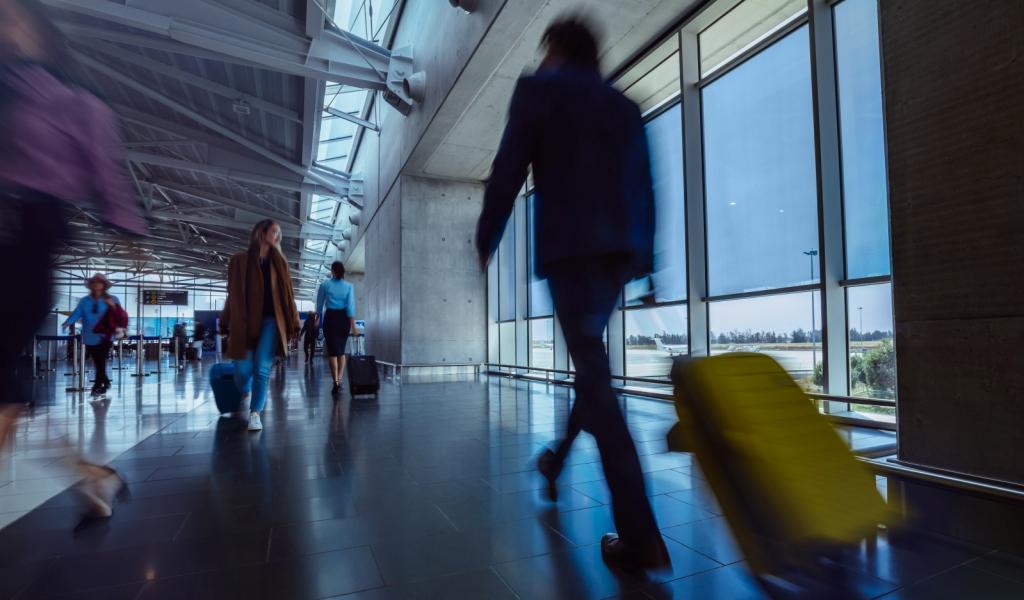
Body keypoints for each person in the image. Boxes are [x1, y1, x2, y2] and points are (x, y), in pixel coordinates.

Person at [474, 15, 669, 570]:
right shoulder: (624, 107)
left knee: (598, 386)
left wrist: (487, 236)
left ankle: (640, 534)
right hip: (614, 263)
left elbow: (507, 168)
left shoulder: (539, 90)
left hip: (571, 257)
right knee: (594, 374)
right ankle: (556, 463)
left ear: (556, 49)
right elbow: (645, 188)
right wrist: (647, 267)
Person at [0, 0, 146, 518]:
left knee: (6, 382)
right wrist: (76, 323)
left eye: (12, 16)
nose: (4, 28)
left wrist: (128, 229)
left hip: (27, 245)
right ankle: (91, 476)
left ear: (41, 30)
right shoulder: (5, 94)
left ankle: (91, 471)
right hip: (15, 246)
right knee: (11, 389)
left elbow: (108, 176)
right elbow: (84, 314)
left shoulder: (77, 104)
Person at [220, 219, 300, 431]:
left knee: (262, 369)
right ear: (261, 233)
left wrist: (294, 324)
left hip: (272, 322)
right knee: (243, 370)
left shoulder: (279, 264)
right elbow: (232, 296)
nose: (279, 236)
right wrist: (224, 322)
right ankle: (244, 391)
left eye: (279, 233)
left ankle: (255, 413)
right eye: (275, 231)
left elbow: (288, 297)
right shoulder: (238, 261)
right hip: (244, 323)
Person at [316, 261, 357, 394]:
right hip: (343, 319)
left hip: (331, 318)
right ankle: (339, 379)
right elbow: (350, 308)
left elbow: (319, 305)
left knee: (333, 352)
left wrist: (317, 320)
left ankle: (336, 382)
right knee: (341, 351)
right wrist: (353, 326)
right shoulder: (349, 286)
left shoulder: (324, 285)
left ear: (332, 271)